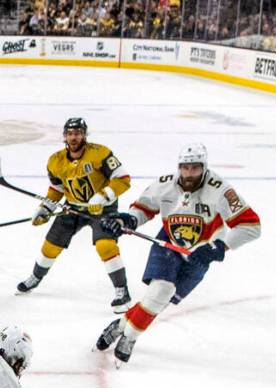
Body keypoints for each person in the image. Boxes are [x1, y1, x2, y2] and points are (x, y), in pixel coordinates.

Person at [95, 142, 261, 365]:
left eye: (195, 168)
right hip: (168, 244)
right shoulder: (165, 185)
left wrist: (219, 247)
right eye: (185, 168)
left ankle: (121, 326)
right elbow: (143, 208)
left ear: (204, 167)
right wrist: (128, 219)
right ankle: (130, 338)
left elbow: (251, 225)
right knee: (160, 292)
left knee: (159, 301)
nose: (189, 173)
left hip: (201, 253)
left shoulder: (220, 189)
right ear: (179, 167)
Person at [16, 118, 133, 312]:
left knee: (105, 245)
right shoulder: (55, 161)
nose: (74, 137)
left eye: (78, 133)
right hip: (73, 208)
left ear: (84, 135)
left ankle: (122, 291)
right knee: (50, 246)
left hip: (103, 209)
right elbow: (57, 188)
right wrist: (46, 208)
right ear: (64, 136)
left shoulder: (100, 153)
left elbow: (123, 179)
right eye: (70, 133)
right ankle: (36, 277)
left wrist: (103, 197)